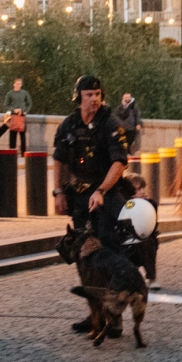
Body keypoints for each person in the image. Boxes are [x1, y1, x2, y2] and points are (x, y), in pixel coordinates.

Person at [51, 74, 130, 254]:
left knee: (109, 241)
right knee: (81, 247)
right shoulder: (69, 125)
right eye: (89, 95)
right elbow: (59, 158)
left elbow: (119, 162)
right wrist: (58, 191)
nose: (94, 99)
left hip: (107, 191)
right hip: (80, 193)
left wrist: (101, 191)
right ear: (79, 97)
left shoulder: (111, 124)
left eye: (97, 94)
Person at [3, 77, 32, 153]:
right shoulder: (10, 94)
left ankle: (23, 152)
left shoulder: (25, 93)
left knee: (23, 136)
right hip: (13, 116)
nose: (18, 85)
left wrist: (26, 111)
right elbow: (6, 105)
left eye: (20, 84)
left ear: (21, 85)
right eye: (17, 83)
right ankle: (12, 152)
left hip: (22, 116)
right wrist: (13, 110)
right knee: (12, 135)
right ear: (14, 84)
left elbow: (29, 103)